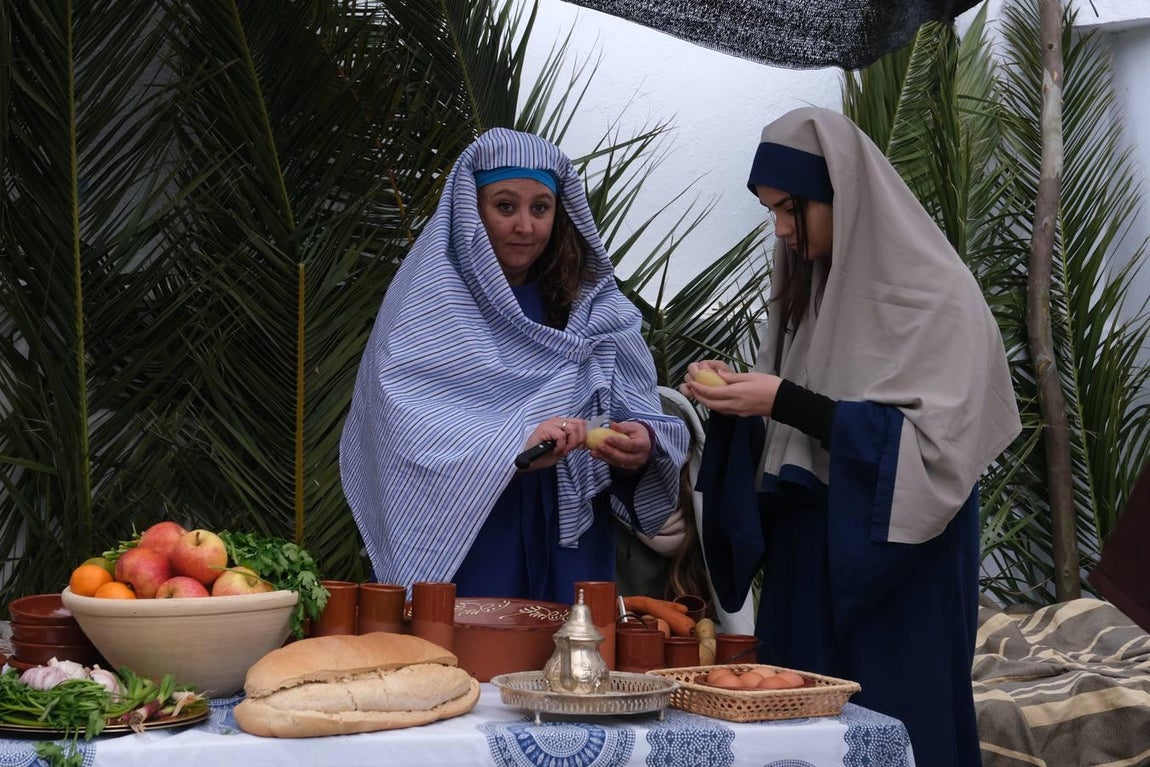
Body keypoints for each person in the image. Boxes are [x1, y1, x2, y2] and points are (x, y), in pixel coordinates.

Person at [681, 107, 1020, 767]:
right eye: (769, 211)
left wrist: (783, 398)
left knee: (901, 722)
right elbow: (793, 446)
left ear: (845, 197)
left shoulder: (939, 296)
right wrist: (741, 401)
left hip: (902, 572)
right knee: (802, 732)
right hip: (811, 564)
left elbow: (934, 453)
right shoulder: (811, 287)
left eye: (790, 209)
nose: (780, 230)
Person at [340, 127, 689, 605]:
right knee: (474, 670)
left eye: (540, 208)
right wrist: (514, 447)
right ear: (471, 211)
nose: (525, 226)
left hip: (573, 540)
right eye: (505, 206)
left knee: (573, 668)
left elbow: (643, 411)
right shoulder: (428, 305)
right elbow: (402, 424)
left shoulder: (596, 308)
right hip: (475, 532)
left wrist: (642, 443)